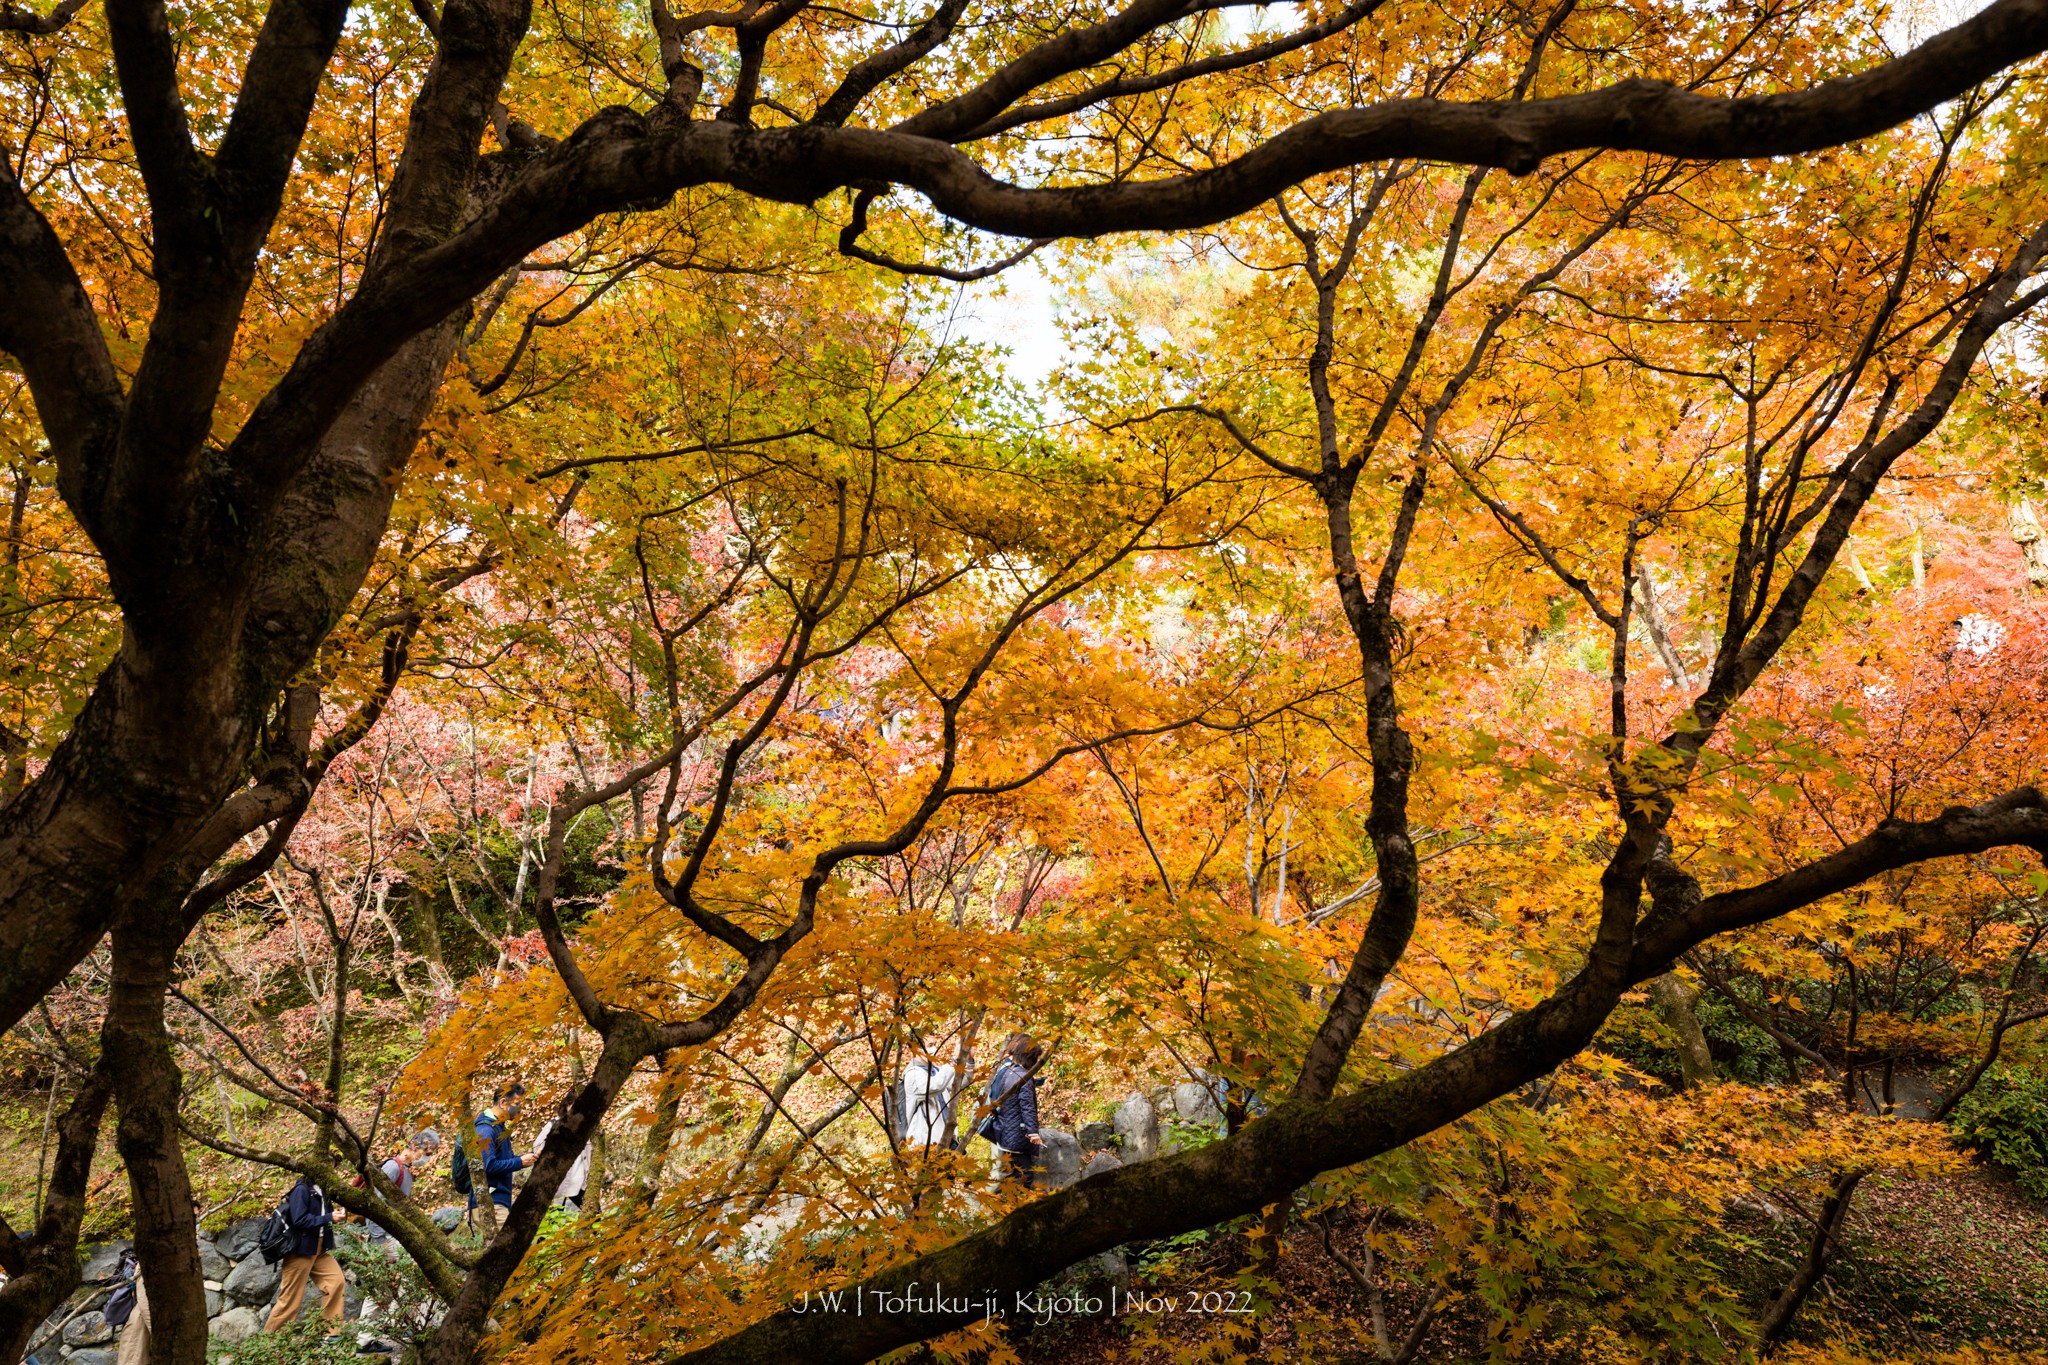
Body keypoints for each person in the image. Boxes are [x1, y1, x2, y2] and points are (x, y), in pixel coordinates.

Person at [114, 1194, 203, 1365]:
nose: (195, 1221)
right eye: (192, 1216)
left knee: (136, 1344)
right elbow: (149, 1304)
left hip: (144, 1320)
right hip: (148, 1302)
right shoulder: (162, 1246)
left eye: (196, 1216)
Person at [264, 1175, 346, 1337]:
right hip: (301, 1250)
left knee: (336, 1283)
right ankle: (270, 1343)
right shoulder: (301, 1190)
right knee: (290, 1299)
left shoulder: (323, 1190)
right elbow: (299, 1220)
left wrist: (334, 1215)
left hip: (320, 1249)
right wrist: (329, 1217)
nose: (329, 1171)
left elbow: (323, 1216)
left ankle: (330, 1333)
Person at [363, 1129, 440, 1252]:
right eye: (427, 1153)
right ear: (414, 1146)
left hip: (396, 1234)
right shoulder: (393, 1168)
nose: (427, 1159)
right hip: (384, 1237)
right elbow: (373, 1204)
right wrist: (380, 1241)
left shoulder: (406, 1172)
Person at [472, 1082, 538, 1215]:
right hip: (489, 1203)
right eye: (517, 1104)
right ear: (503, 1102)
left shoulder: (500, 1127)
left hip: (499, 1202)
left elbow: (505, 1160)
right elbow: (489, 1165)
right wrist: (519, 1162)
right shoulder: (485, 1130)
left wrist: (527, 1158)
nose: (520, 1108)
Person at [987, 1033, 1044, 1187]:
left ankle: (1009, 1203)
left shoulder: (1009, 1070)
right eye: (1035, 1057)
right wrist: (1033, 1133)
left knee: (1013, 1172)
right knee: (1025, 1176)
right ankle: (1019, 1206)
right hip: (1017, 1135)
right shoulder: (1023, 1076)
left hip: (1004, 1131)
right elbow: (1027, 1107)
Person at [531, 1097, 592, 1209]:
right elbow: (537, 1147)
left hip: (581, 1184)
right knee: (554, 1219)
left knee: (594, 1217)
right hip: (557, 1183)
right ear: (567, 1105)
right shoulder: (554, 1124)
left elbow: (591, 1156)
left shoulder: (588, 1128)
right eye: (573, 1105)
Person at [898, 1040, 957, 1151]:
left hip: (945, 1140)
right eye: (930, 1045)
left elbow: (957, 1084)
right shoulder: (913, 1075)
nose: (934, 1049)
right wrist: (953, 1061)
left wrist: (968, 1061)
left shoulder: (935, 1070)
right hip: (924, 1145)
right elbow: (935, 1086)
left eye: (935, 1044)